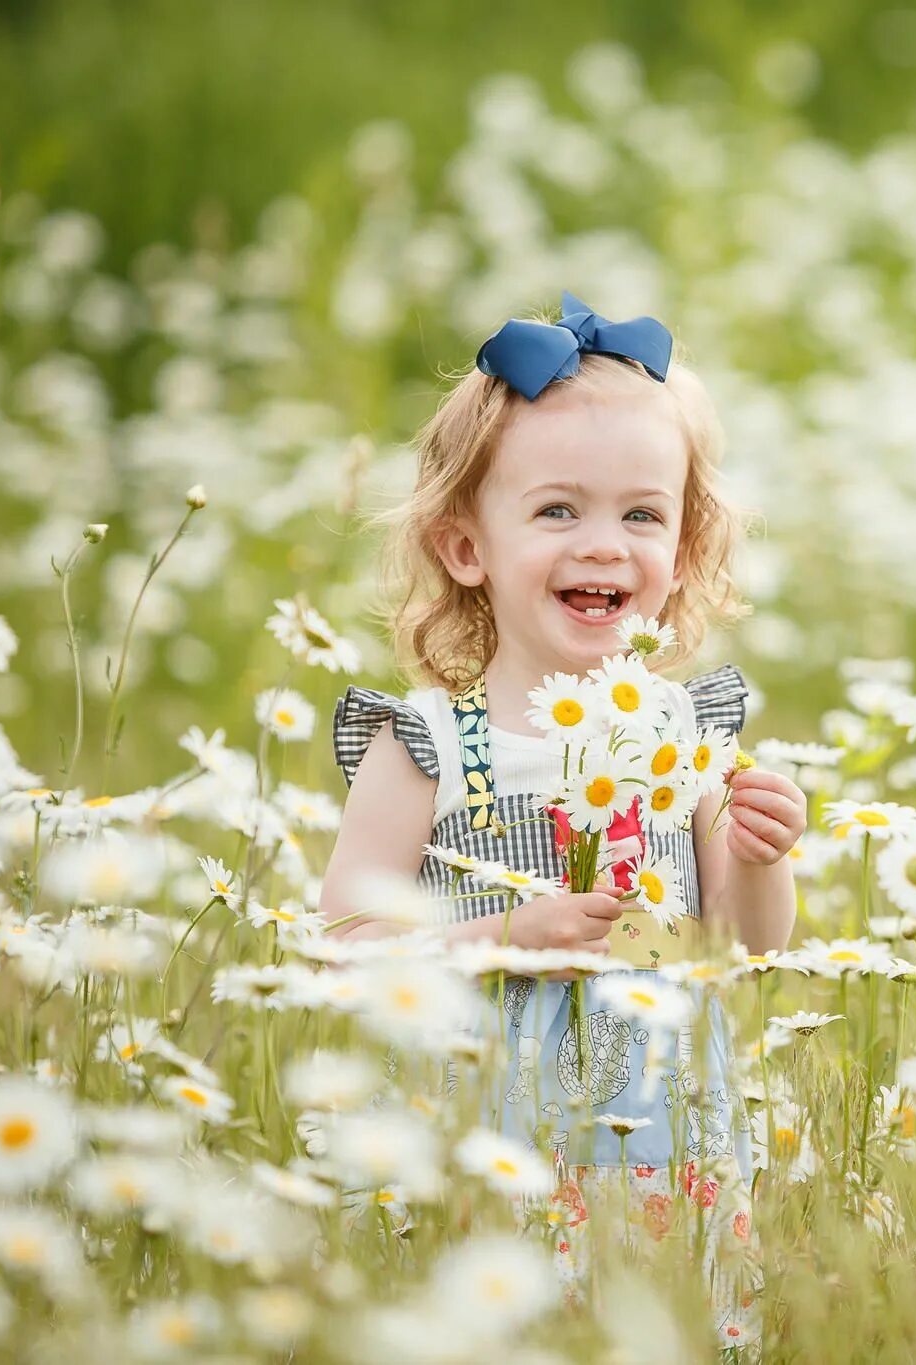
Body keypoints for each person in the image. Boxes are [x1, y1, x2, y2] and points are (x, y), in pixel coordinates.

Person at [317, 292, 805, 1351]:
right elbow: (343, 952)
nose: (604, 547)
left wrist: (763, 855)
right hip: (473, 1144)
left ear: (682, 551)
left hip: (662, 1137)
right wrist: (502, 938)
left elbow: (745, 945)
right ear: (462, 547)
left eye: (641, 515)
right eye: (555, 512)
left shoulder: (686, 734)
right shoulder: (428, 748)